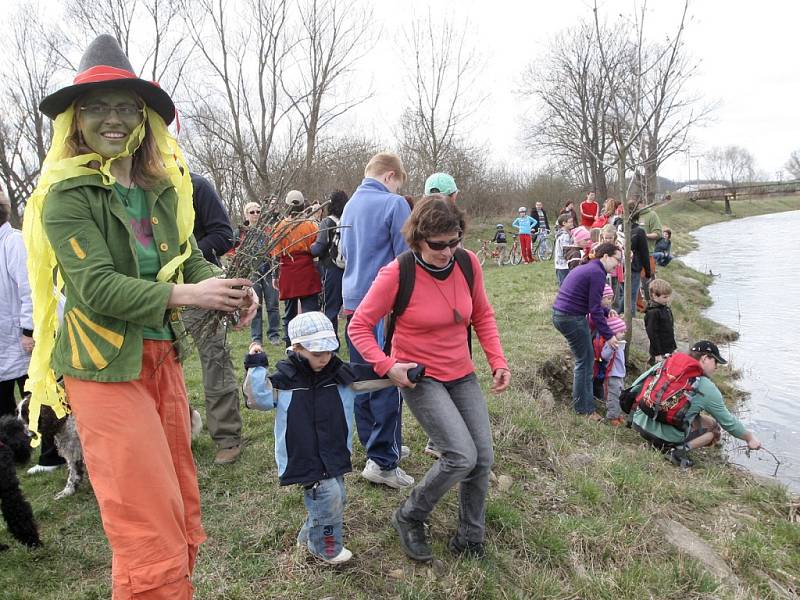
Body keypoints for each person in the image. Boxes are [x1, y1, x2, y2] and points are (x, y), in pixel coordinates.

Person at [25, 35, 257, 599]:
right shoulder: (65, 196)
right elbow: (98, 287)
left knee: (178, 503)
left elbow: (189, 258)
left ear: (143, 116)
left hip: (161, 361)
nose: (111, 118)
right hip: (103, 370)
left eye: (124, 105)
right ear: (75, 120)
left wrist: (226, 290)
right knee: (145, 521)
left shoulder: (161, 187)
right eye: (96, 107)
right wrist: (188, 297)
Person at [349, 195, 510, 562]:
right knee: (460, 455)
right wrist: (387, 365)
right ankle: (410, 515)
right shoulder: (397, 273)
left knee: (482, 458)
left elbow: (482, 314)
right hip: (420, 377)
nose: (448, 251)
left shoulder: (468, 264)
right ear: (418, 239)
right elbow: (358, 325)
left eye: (455, 241)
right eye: (438, 245)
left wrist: (497, 361)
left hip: (462, 373)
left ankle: (470, 537)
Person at [242, 312, 377, 565]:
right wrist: (256, 364)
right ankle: (325, 548)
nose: (325, 358)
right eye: (317, 353)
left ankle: (307, 537)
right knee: (328, 499)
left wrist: (403, 372)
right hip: (303, 456)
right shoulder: (284, 381)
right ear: (297, 348)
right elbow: (256, 399)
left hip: (335, 450)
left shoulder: (339, 374)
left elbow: (372, 376)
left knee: (338, 497)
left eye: (329, 351)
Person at [340, 151, 414, 489]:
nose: (398, 187)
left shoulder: (350, 205)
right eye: (398, 181)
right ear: (390, 176)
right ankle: (384, 461)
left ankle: (375, 446)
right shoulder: (394, 203)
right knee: (388, 379)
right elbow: (407, 259)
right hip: (381, 306)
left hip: (352, 304)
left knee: (363, 380)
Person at [182, 172, 244, 465]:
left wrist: (184, 259)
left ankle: (227, 436)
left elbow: (223, 235)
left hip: (200, 286)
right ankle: (174, 433)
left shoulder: (196, 185)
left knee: (214, 359)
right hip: (154, 291)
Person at [631, 341, 761, 467]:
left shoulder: (666, 363)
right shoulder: (706, 386)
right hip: (663, 439)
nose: (716, 367)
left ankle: (663, 437)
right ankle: (679, 451)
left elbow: (636, 385)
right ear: (705, 358)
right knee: (715, 430)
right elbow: (729, 423)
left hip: (638, 424)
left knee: (707, 421)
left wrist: (632, 414)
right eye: (715, 362)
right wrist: (750, 438)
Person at [552, 242, 622, 420]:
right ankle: (584, 409)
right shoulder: (597, 273)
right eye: (617, 260)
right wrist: (609, 335)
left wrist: (607, 311)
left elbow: (592, 302)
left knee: (585, 359)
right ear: (605, 256)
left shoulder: (591, 268)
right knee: (585, 361)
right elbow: (594, 309)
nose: (618, 265)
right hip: (571, 318)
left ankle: (584, 402)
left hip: (563, 315)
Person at [270, 190, 321, 347]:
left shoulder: (279, 227)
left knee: (290, 311)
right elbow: (316, 249)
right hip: (306, 269)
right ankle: (309, 342)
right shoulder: (311, 225)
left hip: (288, 270)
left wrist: (274, 276)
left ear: (287, 206)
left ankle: (289, 343)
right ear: (302, 205)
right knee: (310, 311)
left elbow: (276, 254)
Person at [0, 188, 35, 418]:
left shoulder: (14, 242)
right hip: (3, 344)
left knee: (37, 407)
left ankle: (51, 454)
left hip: (22, 342)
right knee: (4, 414)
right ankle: (10, 453)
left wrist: (28, 331)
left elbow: (29, 289)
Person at [241, 201, 282, 348]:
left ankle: (274, 334)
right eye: (252, 212)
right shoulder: (242, 232)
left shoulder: (268, 230)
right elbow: (234, 251)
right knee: (255, 305)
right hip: (252, 273)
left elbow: (276, 249)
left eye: (258, 211)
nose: (255, 215)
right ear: (246, 214)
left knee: (273, 304)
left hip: (268, 270)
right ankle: (256, 337)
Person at [310, 190, 349, 339]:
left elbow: (319, 248)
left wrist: (310, 247)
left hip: (330, 268)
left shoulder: (328, 222)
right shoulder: (349, 220)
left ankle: (331, 342)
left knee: (330, 309)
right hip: (349, 269)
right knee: (349, 309)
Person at [598, 315, 627, 426]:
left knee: (620, 394)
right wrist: (612, 348)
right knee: (613, 395)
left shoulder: (619, 343)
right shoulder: (609, 344)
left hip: (619, 374)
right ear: (613, 332)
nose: (624, 333)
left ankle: (618, 414)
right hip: (612, 374)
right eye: (621, 331)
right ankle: (612, 416)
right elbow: (604, 356)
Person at [644, 279, 677, 365]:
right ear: (654, 295)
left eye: (668, 296)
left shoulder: (665, 308)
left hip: (669, 348)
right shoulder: (652, 313)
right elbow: (652, 334)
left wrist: (673, 348)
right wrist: (657, 354)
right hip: (659, 351)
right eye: (665, 297)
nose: (667, 299)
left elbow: (669, 330)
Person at [626, 211, 651, 313]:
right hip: (634, 266)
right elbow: (644, 252)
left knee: (623, 294)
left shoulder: (620, 226)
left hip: (620, 266)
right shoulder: (639, 231)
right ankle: (630, 323)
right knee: (632, 297)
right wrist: (648, 271)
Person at [553, 213, 574, 286]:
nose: (572, 223)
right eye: (570, 222)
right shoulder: (564, 236)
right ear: (564, 223)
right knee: (565, 286)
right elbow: (566, 251)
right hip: (563, 265)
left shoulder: (564, 233)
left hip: (561, 265)